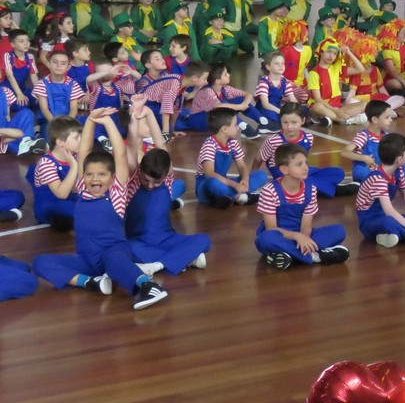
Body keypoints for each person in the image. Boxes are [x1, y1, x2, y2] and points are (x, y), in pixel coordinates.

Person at [32, 108, 169, 309]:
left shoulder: (116, 193)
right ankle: (92, 282)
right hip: (87, 259)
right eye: (89, 175)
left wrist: (107, 122)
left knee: (115, 260)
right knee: (39, 263)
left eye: (102, 175)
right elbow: (84, 151)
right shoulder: (82, 190)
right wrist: (90, 120)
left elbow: (120, 153)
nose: (95, 179)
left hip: (112, 253)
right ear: (83, 176)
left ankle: (148, 286)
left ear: (112, 178)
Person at [124, 102, 210, 275]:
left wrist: (149, 114)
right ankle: (184, 258)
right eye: (146, 180)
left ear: (165, 176)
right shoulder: (133, 179)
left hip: (166, 239)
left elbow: (160, 144)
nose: (150, 185)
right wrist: (135, 118)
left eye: (156, 183)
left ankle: (157, 265)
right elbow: (131, 147)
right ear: (140, 171)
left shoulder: (168, 178)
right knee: (125, 248)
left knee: (204, 239)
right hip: (139, 242)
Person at [254, 142, 350, 269]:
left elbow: (306, 226)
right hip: (279, 235)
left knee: (339, 231)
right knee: (266, 239)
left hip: (302, 235)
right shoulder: (269, 191)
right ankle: (315, 256)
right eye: (299, 164)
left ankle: (287, 255)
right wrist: (296, 236)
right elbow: (271, 228)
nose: (306, 168)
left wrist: (304, 239)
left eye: (305, 163)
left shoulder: (311, 190)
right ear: (284, 169)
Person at [260, 101, 357, 197]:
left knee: (338, 173)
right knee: (300, 179)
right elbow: (258, 158)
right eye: (285, 122)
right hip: (285, 175)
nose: (289, 127)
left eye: (294, 122)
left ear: (302, 121)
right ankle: (336, 190)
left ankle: (314, 187)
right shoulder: (273, 140)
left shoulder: (308, 137)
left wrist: (304, 170)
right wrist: (252, 177)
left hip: (301, 170)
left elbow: (304, 160)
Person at [194, 108, 269, 208]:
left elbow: (242, 166)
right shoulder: (210, 145)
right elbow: (210, 173)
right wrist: (235, 185)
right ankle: (242, 197)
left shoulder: (232, 142)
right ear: (224, 129)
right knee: (213, 182)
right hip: (206, 186)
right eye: (235, 125)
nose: (237, 128)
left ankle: (229, 197)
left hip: (225, 182)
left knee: (261, 175)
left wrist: (245, 180)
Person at [29, 116, 83, 229]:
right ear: (60, 142)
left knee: (96, 204)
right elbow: (61, 194)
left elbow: (77, 187)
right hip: (49, 205)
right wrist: (74, 167)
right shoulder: (47, 163)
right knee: (82, 210)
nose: (81, 140)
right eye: (76, 138)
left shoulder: (75, 156)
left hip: (68, 199)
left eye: (81, 136)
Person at [341, 99, 397, 183]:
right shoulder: (363, 135)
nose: (391, 120)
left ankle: (385, 180)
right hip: (366, 169)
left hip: (380, 169)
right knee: (360, 172)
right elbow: (344, 152)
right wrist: (363, 158)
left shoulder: (386, 135)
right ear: (375, 119)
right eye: (387, 117)